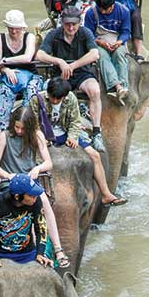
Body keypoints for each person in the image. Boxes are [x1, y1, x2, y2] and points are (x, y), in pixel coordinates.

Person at [0, 106, 71, 267]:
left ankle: (58, 248)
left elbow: (48, 163)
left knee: (44, 202)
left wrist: (37, 168)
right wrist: (7, 176)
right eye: (17, 127)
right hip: (10, 183)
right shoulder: (5, 136)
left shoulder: (38, 136)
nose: (19, 131)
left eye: (22, 128)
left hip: (29, 182)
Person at [29, 77, 127, 207]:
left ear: (64, 97)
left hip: (64, 132)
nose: (55, 101)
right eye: (53, 97)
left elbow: (75, 121)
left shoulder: (71, 99)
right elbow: (33, 123)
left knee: (95, 155)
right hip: (43, 135)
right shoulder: (37, 99)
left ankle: (106, 194)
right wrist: (41, 138)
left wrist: (72, 137)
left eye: (58, 99)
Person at [36, 5, 105, 153]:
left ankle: (96, 131)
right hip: (60, 76)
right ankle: (48, 127)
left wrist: (73, 65)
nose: (71, 27)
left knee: (95, 90)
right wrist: (59, 61)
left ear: (79, 23)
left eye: (74, 24)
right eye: (67, 24)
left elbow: (95, 54)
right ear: (62, 23)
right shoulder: (54, 35)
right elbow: (40, 55)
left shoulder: (85, 33)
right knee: (49, 92)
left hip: (81, 74)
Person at [0, 174, 52, 271]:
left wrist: (40, 253)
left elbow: (41, 228)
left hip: (27, 254)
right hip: (0, 254)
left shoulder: (36, 201)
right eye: (31, 195)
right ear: (17, 196)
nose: (35, 198)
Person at [0, 9, 42, 143]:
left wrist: (5, 61)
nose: (14, 32)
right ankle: (0, 130)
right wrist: (6, 70)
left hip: (31, 76)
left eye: (17, 29)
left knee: (31, 93)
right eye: (11, 28)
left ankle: (27, 125)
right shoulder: (0, 38)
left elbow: (27, 58)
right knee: (4, 92)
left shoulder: (29, 37)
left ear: (22, 27)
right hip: (9, 77)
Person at [84, 0, 131, 105]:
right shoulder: (91, 13)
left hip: (116, 41)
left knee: (120, 54)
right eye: (102, 9)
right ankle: (117, 86)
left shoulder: (123, 11)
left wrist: (119, 42)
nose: (104, 12)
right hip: (99, 42)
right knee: (102, 56)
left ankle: (124, 86)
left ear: (113, 4)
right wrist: (101, 43)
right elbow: (88, 34)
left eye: (107, 9)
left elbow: (126, 32)